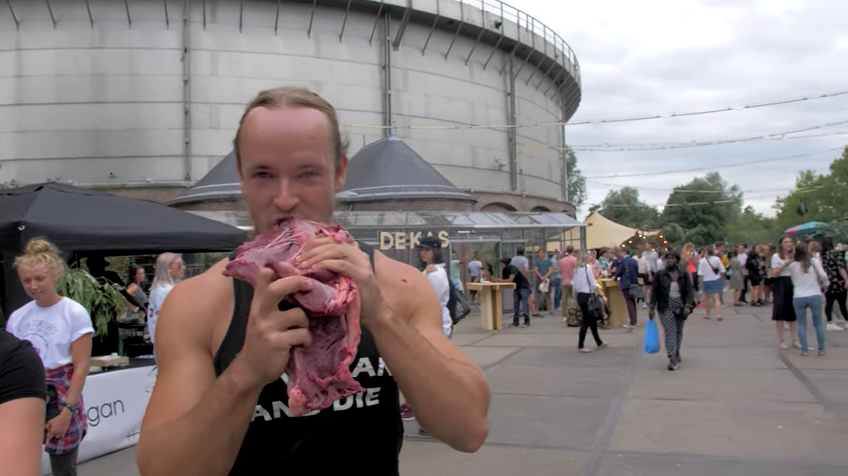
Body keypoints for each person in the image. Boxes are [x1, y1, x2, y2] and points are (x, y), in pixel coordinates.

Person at [137, 87, 490, 476]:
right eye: (263, 174)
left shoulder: (398, 285)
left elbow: (468, 429)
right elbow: (163, 469)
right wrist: (246, 373)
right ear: (240, 177)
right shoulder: (197, 303)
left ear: (339, 172)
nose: (285, 199)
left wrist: (380, 318)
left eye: (307, 173)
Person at [6, 238, 93, 476]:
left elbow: (81, 366)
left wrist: (67, 412)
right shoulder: (17, 317)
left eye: (39, 279)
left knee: (63, 469)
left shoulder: (74, 313)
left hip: (61, 395)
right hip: (26, 394)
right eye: (27, 280)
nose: (33, 286)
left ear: (55, 275)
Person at [0, 328, 47, 476]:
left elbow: (80, 367)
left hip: (47, 391)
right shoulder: (19, 315)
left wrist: (68, 408)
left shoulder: (13, 356)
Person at [649, 251, 694, 371]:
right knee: (670, 331)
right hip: (665, 306)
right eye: (667, 258)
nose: (670, 260)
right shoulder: (660, 275)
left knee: (678, 331)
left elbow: (689, 291)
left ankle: (676, 351)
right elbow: (655, 291)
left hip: (680, 305)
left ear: (677, 260)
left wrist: (688, 306)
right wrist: (651, 307)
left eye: (673, 258)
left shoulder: (683, 275)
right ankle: (672, 357)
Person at [788, 244, 828, 356]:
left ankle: (804, 350)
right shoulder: (814, 262)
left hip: (798, 296)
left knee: (801, 324)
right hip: (814, 294)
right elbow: (824, 275)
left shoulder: (792, 265)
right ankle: (821, 349)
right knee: (818, 324)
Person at [146, 252, 185, 347]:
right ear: (168, 268)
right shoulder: (164, 290)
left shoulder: (161, 288)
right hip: (169, 342)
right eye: (179, 265)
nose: (183, 267)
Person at [571, 250, 605, 353]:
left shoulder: (576, 270)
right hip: (587, 296)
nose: (589, 257)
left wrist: (574, 299)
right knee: (586, 321)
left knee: (592, 320)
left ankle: (599, 342)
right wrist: (601, 294)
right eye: (588, 256)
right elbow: (593, 283)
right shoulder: (587, 268)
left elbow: (574, 286)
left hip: (580, 296)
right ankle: (581, 345)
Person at [771, 235, 799, 349]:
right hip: (781, 282)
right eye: (786, 242)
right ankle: (781, 339)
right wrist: (785, 263)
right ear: (781, 244)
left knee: (793, 313)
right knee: (780, 312)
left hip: (793, 282)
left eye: (790, 242)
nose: (788, 244)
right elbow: (774, 274)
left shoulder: (795, 256)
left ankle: (795, 339)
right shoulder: (776, 256)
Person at [498, 258, 532, 328]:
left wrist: (499, 280)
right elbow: (503, 279)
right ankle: (515, 321)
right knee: (516, 304)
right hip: (516, 287)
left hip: (523, 286)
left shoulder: (512, 268)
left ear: (505, 264)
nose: (500, 265)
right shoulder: (504, 270)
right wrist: (499, 280)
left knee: (524, 303)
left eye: (501, 264)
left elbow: (510, 280)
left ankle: (526, 321)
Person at [613, 247, 639, 328]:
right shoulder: (634, 261)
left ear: (623, 252)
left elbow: (619, 272)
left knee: (629, 302)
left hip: (625, 283)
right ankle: (635, 320)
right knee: (633, 302)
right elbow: (637, 272)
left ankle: (632, 322)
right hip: (633, 283)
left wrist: (615, 277)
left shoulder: (623, 261)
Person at [697, 248, 726, 320]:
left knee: (707, 299)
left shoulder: (702, 261)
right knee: (717, 299)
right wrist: (722, 279)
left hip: (706, 280)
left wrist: (700, 283)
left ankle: (707, 314)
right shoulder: (717, 259)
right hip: (716, 279)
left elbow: (700, 273)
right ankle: (718, 314)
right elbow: (722, 270)